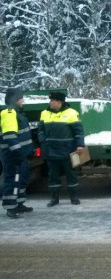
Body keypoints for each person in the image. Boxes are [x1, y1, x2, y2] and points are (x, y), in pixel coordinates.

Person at [39, 91, 85, 207]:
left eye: (52, 101)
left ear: (59, 102)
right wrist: (43, 140)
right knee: (53, 175)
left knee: (71, 174)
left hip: (68, 151)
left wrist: (80, 145)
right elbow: (40, 130)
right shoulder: (44, 113)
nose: (50, 103)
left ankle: (74, 197)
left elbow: (78, 132)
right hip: (51, 151)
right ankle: (54, 199)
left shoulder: (72, 113)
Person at [0, 88, 34, 218]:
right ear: (15, 100)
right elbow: (9, 135)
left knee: (22, 178)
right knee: (13, 179)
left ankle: (19, 203)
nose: (23, 100)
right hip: (13, 155)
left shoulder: (16, 112)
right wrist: (17, 152)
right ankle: (10, 207)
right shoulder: (9, 113)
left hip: (21, 154)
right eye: (21, 98)